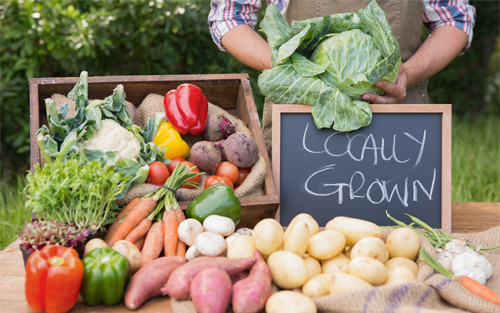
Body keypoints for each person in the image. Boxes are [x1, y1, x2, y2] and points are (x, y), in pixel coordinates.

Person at [208, 0, 476, 157]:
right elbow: (229, 16)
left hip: (397, 123)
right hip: (299, 122)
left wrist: (410, 72)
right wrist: (292, 66)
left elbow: (454, 19)